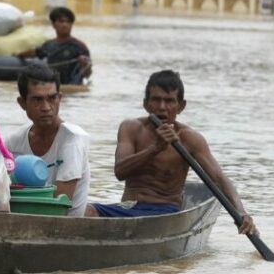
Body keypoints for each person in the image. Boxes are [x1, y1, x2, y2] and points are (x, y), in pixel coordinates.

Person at [85, 70, 259, 236]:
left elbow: (219, 178)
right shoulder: (131, 128)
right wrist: (155, 148)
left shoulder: (190, 139)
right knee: (85, 211)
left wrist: (242, 213)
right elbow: (120, 172)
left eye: (169, 101)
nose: (162, 108)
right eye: (156, 100)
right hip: (128, 208)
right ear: (146, 104)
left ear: (181, 106)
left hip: (164, 214)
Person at [5, 63, 91, 217]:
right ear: (22, 103)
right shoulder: (13, 141)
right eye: (37, 100)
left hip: (63, 225)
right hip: (24, 220)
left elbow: (58, 206)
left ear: (60, 98)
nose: (46, 107)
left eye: (52, 98)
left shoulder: (72, 140)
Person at [16, 7, 91, 85]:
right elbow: (34, 52)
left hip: (71, 87)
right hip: (53, 86)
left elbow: (88, 74)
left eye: (68, 22)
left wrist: (85, 65)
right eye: (61, 21)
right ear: (53, 24)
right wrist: (18, 55)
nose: (65, 25)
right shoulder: (49, 45)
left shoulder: (79, 46)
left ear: (72, 24)